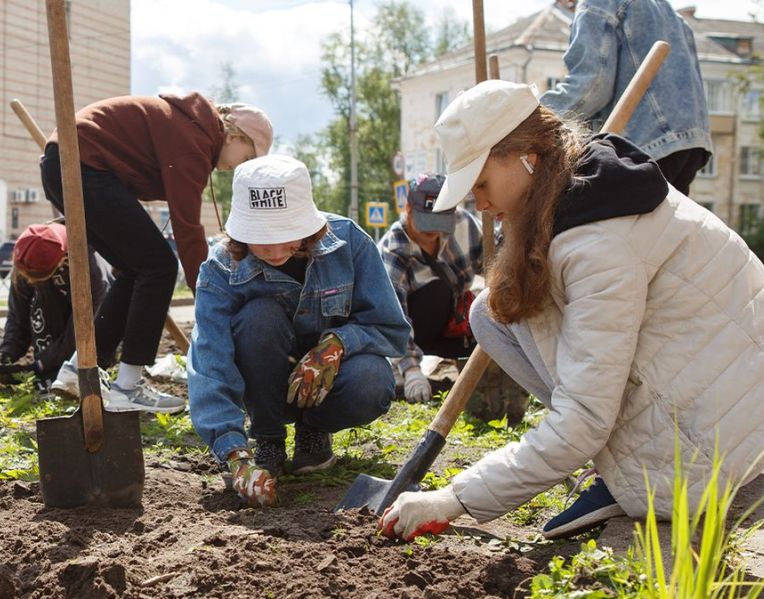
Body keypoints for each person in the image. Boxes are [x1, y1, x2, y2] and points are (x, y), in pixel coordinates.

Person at [378, 79, 764, 542]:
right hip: (714, 372)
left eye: (481, 182)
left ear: (527, 157)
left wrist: (452, 498)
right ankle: (621, 460)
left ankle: (634, 470)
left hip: (742, 404)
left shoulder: (599, 243)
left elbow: (584, 414)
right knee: (491, 313)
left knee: (572, 401)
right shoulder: (567, 197)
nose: (477, 203)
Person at [188, 154, 410, 508]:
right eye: (262, 238)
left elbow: (391, 329)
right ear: (240, 232)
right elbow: (209, 364)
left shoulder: (349, 243)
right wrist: (234, 455)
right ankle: (268, 440)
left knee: (373, 378)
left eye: (286, 234)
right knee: (260, 316)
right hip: (263, 388)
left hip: (335, 384)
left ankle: (313, 432)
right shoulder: (220, 269)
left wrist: (337, 344)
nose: (276, 250)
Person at [40, 92, 273, 413]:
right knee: (160, 267)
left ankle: (80, 370)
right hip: (80, 164)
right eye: (246, 158)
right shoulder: (193, 140)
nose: (237, 169)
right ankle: (128, 387)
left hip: (65, 163)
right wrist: (208, 295)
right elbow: (188, 230)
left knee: (135, 270)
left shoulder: (191, 128)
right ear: (233, 135)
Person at [539, 0, 712, 195]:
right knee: (658, 225)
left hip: (644, 142)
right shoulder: (666, 9)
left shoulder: (598, 3)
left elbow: (592, 87)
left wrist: (532, 115)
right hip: (689, 143)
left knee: (595, 220)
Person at [378, 174, 482, 403]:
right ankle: (406, 370)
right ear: (408, 209)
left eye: (440, 223)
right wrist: (411, 370)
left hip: (454, 330)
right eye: (426, 225)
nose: (434, 233)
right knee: (436, 291)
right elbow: (393, 318)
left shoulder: (465, 225)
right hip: (415, 331)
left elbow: (499, 260)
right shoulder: (393, 251)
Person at [0, 223, 113, 389]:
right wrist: (7, 353)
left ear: (62, 260)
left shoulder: (90, 268)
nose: (29, 282)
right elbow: (18, 315)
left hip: (91, 335)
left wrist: (41, 364)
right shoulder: (29, 254)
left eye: (36, 278)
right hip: (52, 331)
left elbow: (84, 329)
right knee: (41, 296)